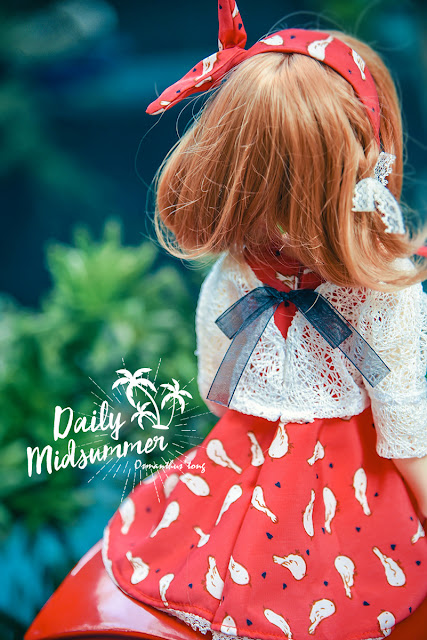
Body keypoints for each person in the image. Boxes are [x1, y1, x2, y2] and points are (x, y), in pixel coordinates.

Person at [25, 2, 427, 640]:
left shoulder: (240, 270)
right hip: (349, 489)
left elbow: (217, 378)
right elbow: (403, 421)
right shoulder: (382, 291)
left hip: (245, 450)